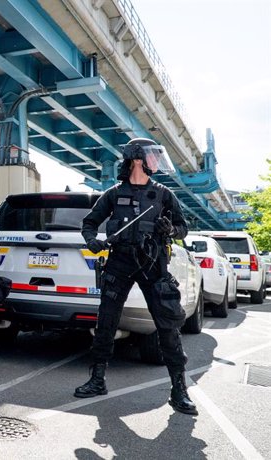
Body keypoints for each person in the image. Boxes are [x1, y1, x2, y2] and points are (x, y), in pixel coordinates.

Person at [75, 137, 198, 415]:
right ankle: (97, 379)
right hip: (119, 260)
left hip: (152, 262)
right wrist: (92, 241)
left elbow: (183, 227)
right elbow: (90, 223)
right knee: (106, 321)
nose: (156, 160)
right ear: (137, 158)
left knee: (167, 324)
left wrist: (171, 230)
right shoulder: (113, 194)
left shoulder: (164, 194)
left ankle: (179, 389)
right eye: (152, 155)